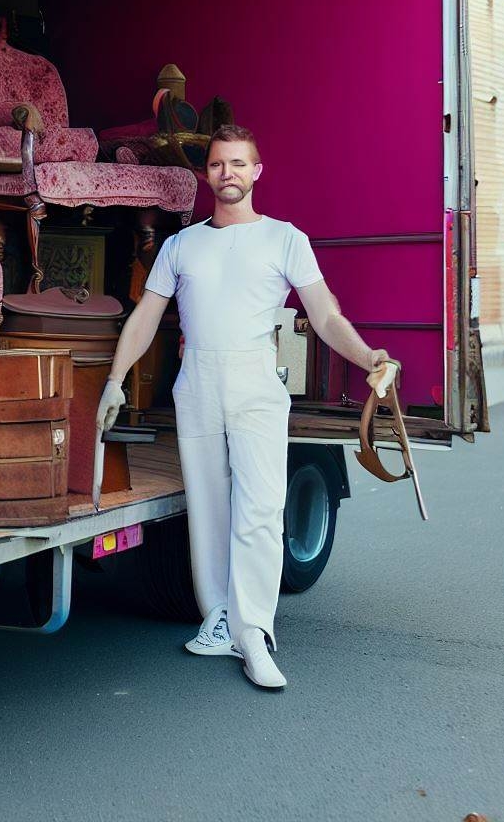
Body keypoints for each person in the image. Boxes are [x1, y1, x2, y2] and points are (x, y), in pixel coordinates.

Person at [96, 124, 391, 690]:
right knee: (207, 508)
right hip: (197, 384)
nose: (226, 173)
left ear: (257, 172)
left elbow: (324, 316)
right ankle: (218, 620)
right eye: (216, 165)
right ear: (205, 175)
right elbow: (146, 317)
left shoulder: (285, 239)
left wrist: (368, 355)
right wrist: (115, 380)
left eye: (238, 163)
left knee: (259, 508)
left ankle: (254, 632)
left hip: (256, 386)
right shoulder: (180, 245)